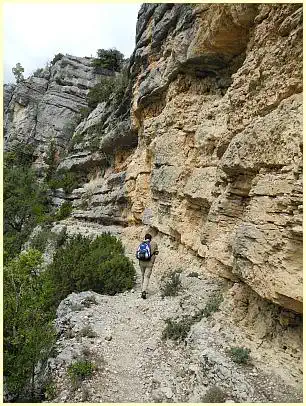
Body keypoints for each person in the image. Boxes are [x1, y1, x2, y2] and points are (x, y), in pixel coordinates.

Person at [137, 233, 159, 299]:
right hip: (149, 263)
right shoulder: (154, 244)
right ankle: (144, 291)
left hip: (141, 262)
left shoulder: (141, 244)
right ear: (151, 238)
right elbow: (157, 252)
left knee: (142, 275)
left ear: (145, 238)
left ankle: (142, 289)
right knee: (147, 277)